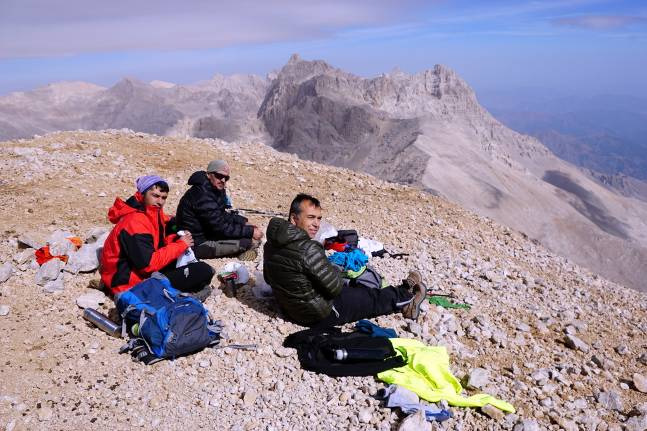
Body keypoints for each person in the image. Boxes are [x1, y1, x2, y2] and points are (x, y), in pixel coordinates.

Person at [263, 193, 427, 327]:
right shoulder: (308, 249)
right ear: (294, 218)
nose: (316, 224)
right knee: (367, 297)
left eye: (319, 218)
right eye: (311, 217)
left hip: (290, 307)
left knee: (356, 289)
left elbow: (268, 278)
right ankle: (406, 298)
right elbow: (334, 288)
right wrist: (334, 269)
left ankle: (400, 290)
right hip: (318, 314)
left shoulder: (272, 243)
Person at [100, 175, 214, 299]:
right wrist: (180, 245)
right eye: (155, 196)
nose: (160, 202)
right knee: (203, 271)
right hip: (128, 285)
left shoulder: (151, 213)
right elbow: (148, 265)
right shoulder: (135, 222)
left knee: (195, 266)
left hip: (136, 272)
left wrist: (176, 239)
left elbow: (155, 243)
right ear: (142, 194)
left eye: (163, 198)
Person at [176, 160, 263, 261]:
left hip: (207, 233)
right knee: (247, 242)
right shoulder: (203, 195)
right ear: (209, 175)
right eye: (219, 176)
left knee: (246, 233)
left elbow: (221, 214)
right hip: (197, 244)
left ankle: (241, 249)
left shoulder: (212, 189)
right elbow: (221, 228)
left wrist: (243, 221)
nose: (223, 180)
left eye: (226, 178)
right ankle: (242, 251)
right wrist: (250, 232)